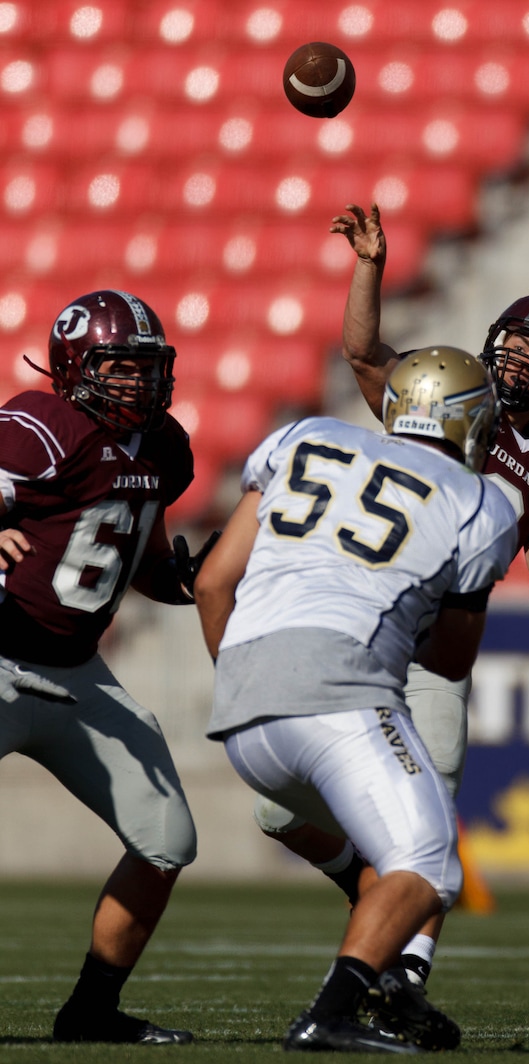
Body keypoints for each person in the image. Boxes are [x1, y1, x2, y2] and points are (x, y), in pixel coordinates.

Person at [253, 202, 529, 994]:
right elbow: (364, 352)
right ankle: (365, 883)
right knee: (277, 810)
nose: (527, 366)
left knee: (430, 818)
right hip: (360, 626)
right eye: (522, 347)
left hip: (438, 648)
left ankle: (406, 975)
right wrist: (369, 267)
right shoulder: (441, 388)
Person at [194, 346, 518, 1053]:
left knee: (389, 851)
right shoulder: (482, 501)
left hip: (245, 712)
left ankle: (380, 967)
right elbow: (452, 658)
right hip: (340, 694)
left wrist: (248, 679)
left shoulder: (306, 436)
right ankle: (335, 1011)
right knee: (430, 865)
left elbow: (214, 581)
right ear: (470, 421)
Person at [0, 288, 217, 1044]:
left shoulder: (162, 449)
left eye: (149, 369)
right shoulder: (41, 426)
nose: (138, 384)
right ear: (73, 366)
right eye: (120, 367)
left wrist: (203, 578)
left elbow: (147, 564)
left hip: (76, 673)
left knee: (167, 839)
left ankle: (90, 1012)